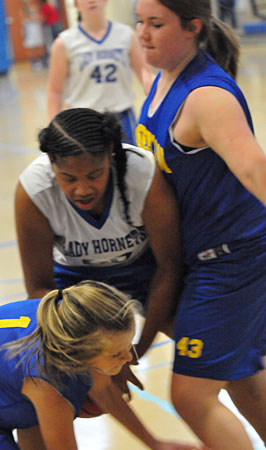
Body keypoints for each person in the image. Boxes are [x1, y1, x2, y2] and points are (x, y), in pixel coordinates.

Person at [134, 0, 266, 449]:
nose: (143, 33)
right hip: (201, 256)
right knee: (242, 376)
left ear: (192, 27)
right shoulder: (162, 78)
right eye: (139, 22)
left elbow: (253, 169)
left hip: (232, 260)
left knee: (191, 396)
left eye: (156, 24)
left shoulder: (207, 96)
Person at [15, 107, 181, 360]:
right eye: (69, 178)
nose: (82, 189)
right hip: (75, 281)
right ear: (51, 162)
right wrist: (94, 357)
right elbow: (39, 289)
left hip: (145, 272)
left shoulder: (141, 174)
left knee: (204, 343)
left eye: (94, 175)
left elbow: (169, 268)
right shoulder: (34, 191)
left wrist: (134, 354)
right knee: (70, 366)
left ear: (111, 156)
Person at [0, 280, 199, 450]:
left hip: (15, 381)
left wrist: (155, 444)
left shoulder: (77, 324)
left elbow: (105, 392)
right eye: (116, 354)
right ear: (80, 354)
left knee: (32, 418)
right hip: (29, 383)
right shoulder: (48, 380)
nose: (129, 358)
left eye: (129, 345)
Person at [47, 0, 155, 145]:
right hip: (84, 120)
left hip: (122, 116)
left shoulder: (126, 34)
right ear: (76, 5)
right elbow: (55, 91)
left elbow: (145, 75)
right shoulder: (64, 42)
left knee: (128, 164)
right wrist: (54, 130)